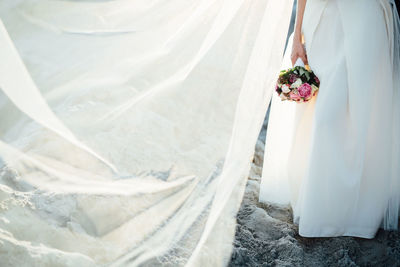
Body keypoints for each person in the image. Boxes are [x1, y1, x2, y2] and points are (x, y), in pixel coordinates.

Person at [260, 0, 400, 238]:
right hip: (322, 21)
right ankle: (321, 209)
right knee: (320, 116)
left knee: (358, 114)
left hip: (363, 18)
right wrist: (297, 35)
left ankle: (357, 214)